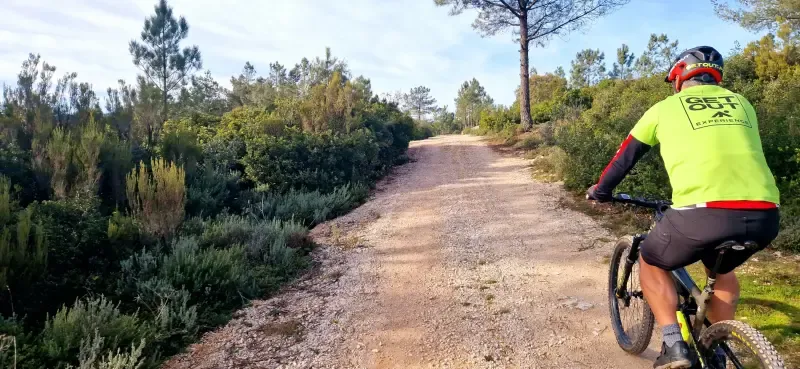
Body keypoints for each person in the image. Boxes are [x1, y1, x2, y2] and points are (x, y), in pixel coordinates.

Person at [586, 46, 781, 369]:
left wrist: (601, 190)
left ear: (679, 76)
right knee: (722, 270)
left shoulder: (664, 108)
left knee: (650, 259)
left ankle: (673, 346)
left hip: (701, 212)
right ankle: (716, 346)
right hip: (765, 214)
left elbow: (624, 157)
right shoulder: (743, 103)